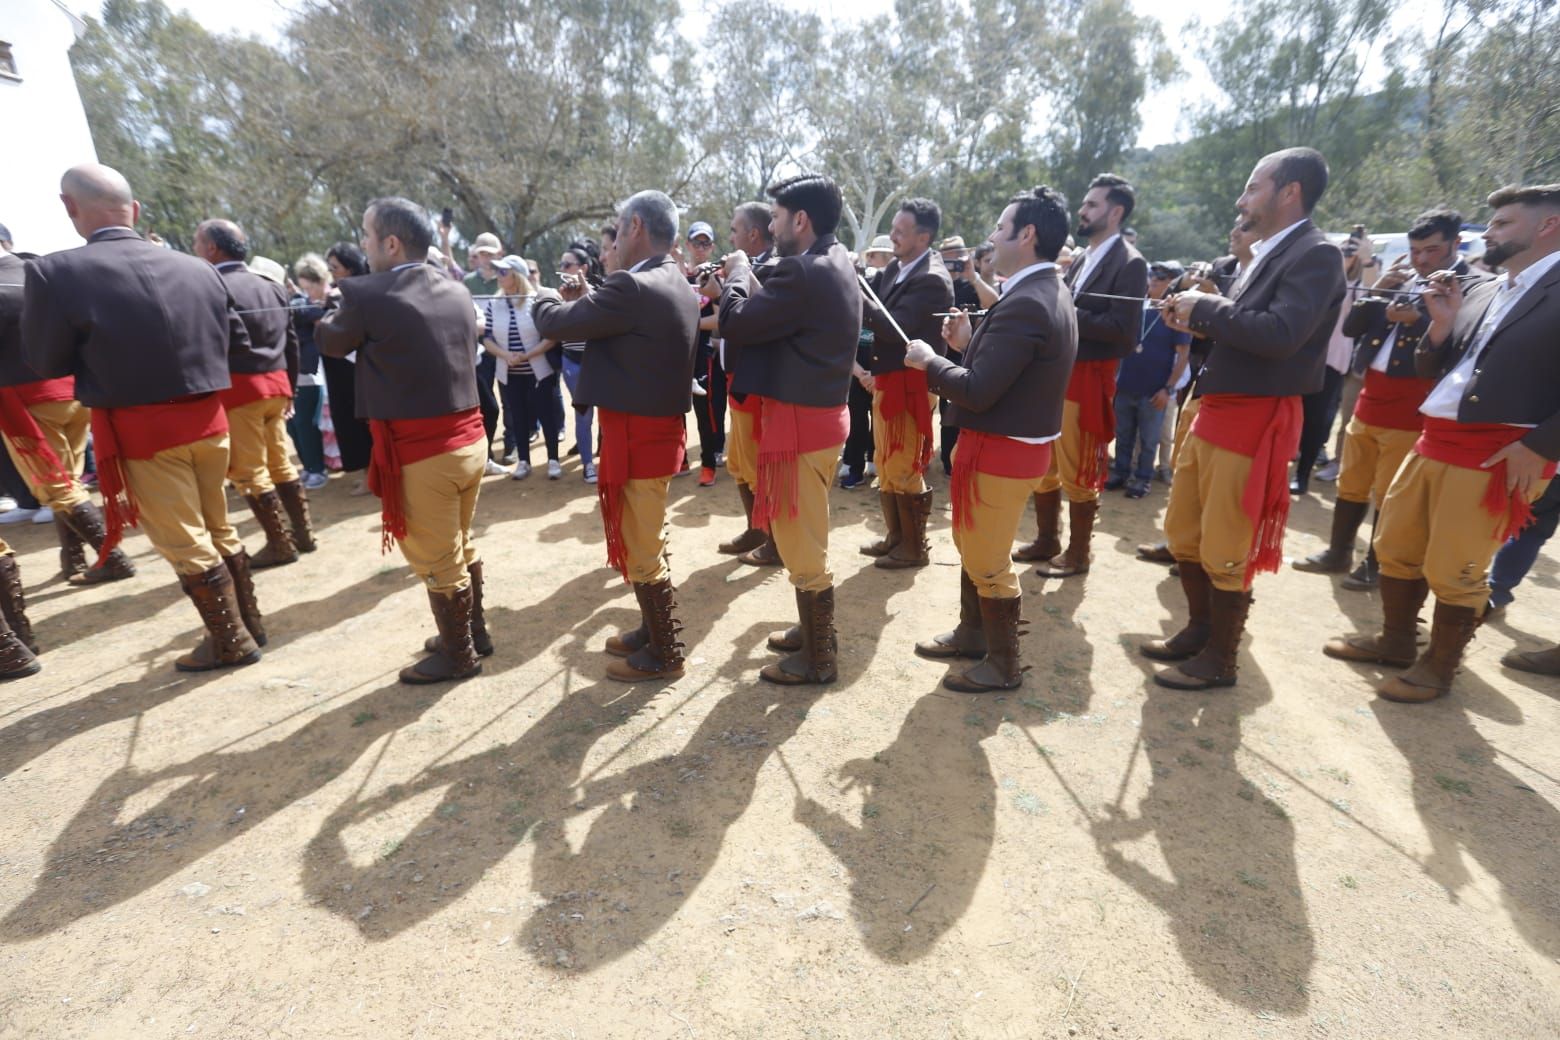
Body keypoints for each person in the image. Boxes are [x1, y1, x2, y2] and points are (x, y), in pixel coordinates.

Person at [23, 163, 265, 672]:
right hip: (210, 422)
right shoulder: (198, 267)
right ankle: (248, 623)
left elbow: (45, 362)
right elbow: (238, 346)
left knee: (185, 540)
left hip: (144, 431)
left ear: (70, 208)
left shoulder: (54, 272)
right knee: (218, 529)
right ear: (134, 211)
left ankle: (231, 641)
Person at [1325, 183, 1560, 703]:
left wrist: (1543, 447)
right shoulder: (1485, 288)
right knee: (1397, 548)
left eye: (1503, 223)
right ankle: (1396, 641)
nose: (1490, 231)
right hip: (1435, 437)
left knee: (1456, 568)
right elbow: (1437, 370)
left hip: (1498, 451)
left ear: (1547, 226)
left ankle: (1438, 668)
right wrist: (1443, 326)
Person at [1145, 148, 1345, 690]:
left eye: (1253, 187)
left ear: (1290, 193)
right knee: (1185, 531)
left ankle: (1221, 659)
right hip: (1218, 410)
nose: (1242, 199)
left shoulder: (1317, 254)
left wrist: (1204, 309)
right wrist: (1196, 317)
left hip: (1254, 418)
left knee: (1226, 543)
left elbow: (1281, 335)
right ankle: (1198, 630)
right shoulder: (1271, 253)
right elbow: (1247, 329)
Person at [906, 185, 1077, 690]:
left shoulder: (1028, 300)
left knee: (986, 557)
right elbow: (1005, 372)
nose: (992, 236)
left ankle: (1004, 666)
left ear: (1027, 235)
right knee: (975, 545)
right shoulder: (1039, 291)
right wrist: (966, 345)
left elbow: (980, 391)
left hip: (1003, 450)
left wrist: (930, 361)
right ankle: (973, 634)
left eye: (1000, 228)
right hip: (1008, 445)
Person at [316, 196, 489, 684]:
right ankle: (473, 633)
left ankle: (459, 654)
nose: (364, 246)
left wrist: (329, 311)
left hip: (424, 450)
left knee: (438, 555)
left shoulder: (366, 294)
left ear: (391, 243)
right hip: (469, 441)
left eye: (367, 237)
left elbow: (331, 342)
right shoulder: (456, 290)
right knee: (459, 542)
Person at [534, 190, 698, 681]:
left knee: (643, 542)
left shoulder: (634, 284)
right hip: (650, 431)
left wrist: (543, 297)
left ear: (635, 227)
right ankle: (653, 629)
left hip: (638, 436)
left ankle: (665, 652)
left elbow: (560, 323)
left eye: (618, 225)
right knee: (648, 535)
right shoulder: (671, 279)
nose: (615, 237)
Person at [716, 173, 860, 685]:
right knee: (802, 538)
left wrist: (736, 274)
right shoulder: (831, 261)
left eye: (775, 217)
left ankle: (819, 658)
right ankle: (812, 632)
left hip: (801, 427)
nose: (770, 226)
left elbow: (736, 322)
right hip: (816, 421)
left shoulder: (803, 272)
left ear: (801, 219)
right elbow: (783, 316)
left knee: (802, 546)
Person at [1296, 209, 1479, 586]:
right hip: (1370, 396)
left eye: (1432, 250)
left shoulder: (1473, 285)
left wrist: (1420, 321)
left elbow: (1461, 342)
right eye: (1415, 250)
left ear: (1456, 244)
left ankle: (1376, 564)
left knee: (1391, 493)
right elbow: (1351, 327)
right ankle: (1339, 552)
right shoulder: (1401, 277)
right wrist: (1378, 289)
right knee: (1352, 483)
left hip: (1413, 406)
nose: (1421, 259)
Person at [1018, 174, 1147, 576]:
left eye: (1092, 205)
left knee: (1078, 471)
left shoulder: (1131, 262)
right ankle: (1047, 540)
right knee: (1046, 467)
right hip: (1061, 376)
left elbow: (1125, 334)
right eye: (1085, 204)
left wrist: (1067, 311)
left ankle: (1078, 554)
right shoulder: (1082, 258)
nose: (1082, 211)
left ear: (1116, 212)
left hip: (1089, 379)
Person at [0, 232, 136, 586]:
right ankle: (73, 557)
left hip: (27, 401)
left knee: (57, 487)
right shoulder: (38, 270)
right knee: (69, 480)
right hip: (72, 390)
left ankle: (113, 557)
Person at [193, 219, 313, 566]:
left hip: (240, 390)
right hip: (276, 386)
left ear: (213, 248)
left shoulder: (214, 286)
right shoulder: (270, 285)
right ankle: (303, 535)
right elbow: (290, 341)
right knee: (280, 463)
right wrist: (288, 386)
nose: (195, 250)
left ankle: (281, 544)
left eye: (197, 243)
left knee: (250, 472)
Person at [858, 197, 954, 568]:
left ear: (923, 236)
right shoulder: (896, 268)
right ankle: (896, 537)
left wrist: (852, 291)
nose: (892, 236)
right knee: (886, 462)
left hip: (910, 386)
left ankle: (914, 548)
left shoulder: (931, 278)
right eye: (893, 228)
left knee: (904, 466)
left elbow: (891, 325)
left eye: (900, 230)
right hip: (889, 380)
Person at [712, 201, 780, 564]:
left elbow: (752, 318)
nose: (730, 237)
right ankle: (757, 528)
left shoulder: (770, 269)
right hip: (738, 382)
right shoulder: (752, 267)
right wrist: (716, 289)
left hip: (754, 387)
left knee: (757, 466)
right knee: (740, 462)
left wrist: (733, 281)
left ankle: (774, 540)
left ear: (753, 234)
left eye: (735, 230)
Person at [1109, 260, 1191, 498]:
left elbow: (1183, 355)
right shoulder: (1137, 307)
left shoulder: (1175, 313)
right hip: (1125, 386)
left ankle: (1143, 479)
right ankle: (1121, 473)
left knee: (1149, 440)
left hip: (1155, 390)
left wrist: (1168, 389)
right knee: (1123, 434)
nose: (1155, 279)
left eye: (1163, 276)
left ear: (1172, 282)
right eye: (1152, 274)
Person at [480, 255, 564, 480]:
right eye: (497, 271)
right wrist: (505, 355)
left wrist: (528, 355)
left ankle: (553, 460)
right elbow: (487, 338)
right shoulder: (493, 304)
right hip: (509, 373)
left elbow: (551, 337)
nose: (498, 275)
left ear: (516, 275)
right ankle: (524, 461)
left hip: (538, 370)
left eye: (503, 272)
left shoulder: (536, 301)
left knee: (546, 415)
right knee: (518, 417)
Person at [322, 242, 375, 492]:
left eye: (336, 267)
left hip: (360, 370)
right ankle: (368, 474)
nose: (332, 272)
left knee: (368, 424)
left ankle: (374, 477)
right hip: (339, 372)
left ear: (351, 267)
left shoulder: (364, 292)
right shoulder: (335, 294)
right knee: (352, 424)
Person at [460, 232, 510, 474]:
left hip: (507, 346)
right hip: (478, 351)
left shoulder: (506, 277)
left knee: (509, 399)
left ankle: (511, 447)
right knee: (486, 403)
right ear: (476, 256)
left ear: (499, 254)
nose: (487, 258)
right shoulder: (467, 282)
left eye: (491, 254)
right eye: (482, 254)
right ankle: (486, 454)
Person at [557, 241, 603, 482]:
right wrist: (565, 303)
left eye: (568, 264)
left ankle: (606, 458)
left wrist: (586, 296)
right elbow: (557, 329)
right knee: (583, 415)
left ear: (583, 268)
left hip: (600, 363)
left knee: (607, 415)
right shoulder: (560, 294)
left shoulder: (601, 290)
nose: (563, 268)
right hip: (573, 364)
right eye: (561, 264)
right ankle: (588, 465)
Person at [685, 221, 726, 486]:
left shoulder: (714, 277)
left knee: (706, 411)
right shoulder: (676, 274)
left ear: (711, 247)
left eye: (706, 243)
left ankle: (709, 463)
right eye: (696, 243)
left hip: (702, 353)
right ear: (688, 245)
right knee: (673, 410)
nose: (701, 248)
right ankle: (678, 459)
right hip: (675, 355)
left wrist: (690, 324)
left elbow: (721, 320)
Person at [288, 253, 332, 491]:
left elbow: (317, 314)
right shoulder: (302, 303)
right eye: (304, 287)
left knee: (306, 422)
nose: (308, 292)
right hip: (301, 372)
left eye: (310, 287)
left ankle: (317, 468)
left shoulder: (330, 299)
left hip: (315, 373)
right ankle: (309, 466)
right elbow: (300, 310)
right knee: (294, 425)